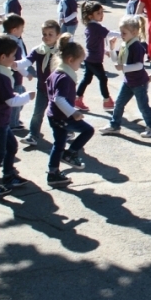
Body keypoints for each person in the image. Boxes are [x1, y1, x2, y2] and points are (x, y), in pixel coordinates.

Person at [0, 35, 34, 199]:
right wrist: (27, 96)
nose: (14, 59)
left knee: (11, 147)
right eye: (12, 56)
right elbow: (11, 101)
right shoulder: (0, 77)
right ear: (3, 57)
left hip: (0, 120)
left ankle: (9, 175)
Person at [44, 33, 95, 186]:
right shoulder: (65, 77)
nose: (80, 66)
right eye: (79, 63)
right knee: (88, 130)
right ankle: (71, 153)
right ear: (71, 60)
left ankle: (53, 173)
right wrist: (73, 112)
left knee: (58, 144)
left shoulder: (57, 73)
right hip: (62, 117)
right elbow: (59, 99)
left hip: (54, 116)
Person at [100, 15, 151, 139]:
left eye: (124, 33)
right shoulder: (125, 44)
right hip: (129, 81)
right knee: (119, 103)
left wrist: (123, 68)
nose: (121, 35)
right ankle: (114, 125)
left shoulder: (137, 47)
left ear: (134, 32)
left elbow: (139, 65)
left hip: (139, 83)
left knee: (143, 106)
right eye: (121, 32)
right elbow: (116, 59)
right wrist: (111, 49)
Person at [21, 20, 60, 149]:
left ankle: (66, 132)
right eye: (44, 34)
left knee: (59, 114)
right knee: (37, 113)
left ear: (58, 35)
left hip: (58, 90)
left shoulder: (61, 51)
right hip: (42, 88)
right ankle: (33, 135)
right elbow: (27, 61)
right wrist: (16, 64)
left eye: (50, 34)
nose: (46, 37)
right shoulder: (38, 50)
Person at [73, 1, 113, 111]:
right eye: (98, 13)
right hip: (94, 60)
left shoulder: (91, 26)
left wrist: (104, 50)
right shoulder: (97, 27)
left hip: (89, 58)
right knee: (103, 78)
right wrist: (125, 34)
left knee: (87, 79)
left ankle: (77, 99)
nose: (101, 14)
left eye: (102, 12)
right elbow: (110, 34)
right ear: (91, 16)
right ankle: (107, 101)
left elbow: (93, 43)